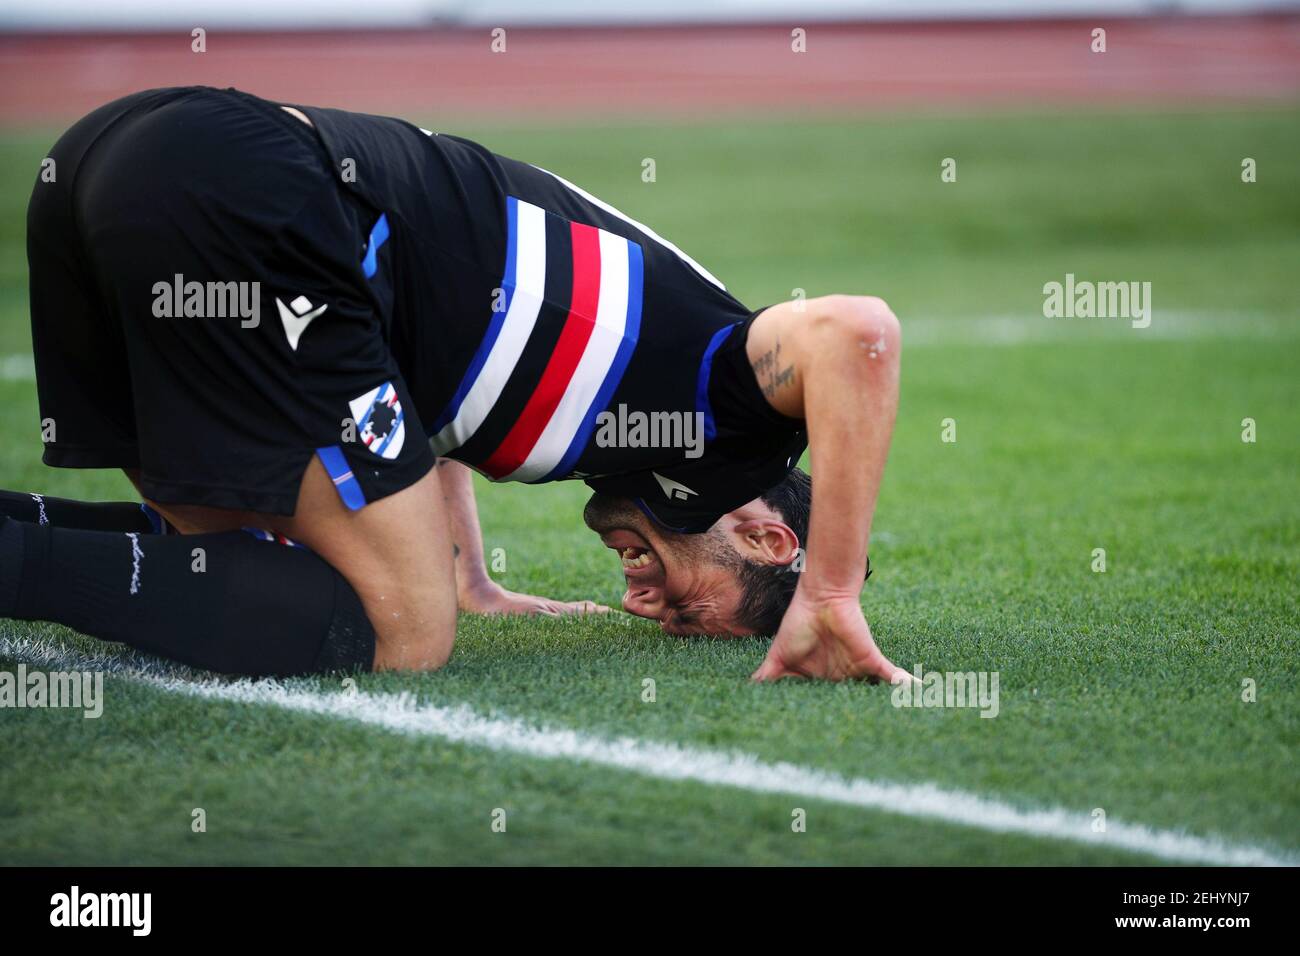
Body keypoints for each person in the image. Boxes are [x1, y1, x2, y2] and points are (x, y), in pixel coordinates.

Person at [0, 86, 903, 684]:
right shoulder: (735, 413)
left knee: (236, 552)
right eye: (690, 612)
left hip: (112, 161)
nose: (642, 605)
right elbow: (858, 332)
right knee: (403, 635)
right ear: (766, 537)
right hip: (246, 194)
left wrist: (469, 575)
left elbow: (437, 373)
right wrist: (830, 598)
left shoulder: (620, 434)